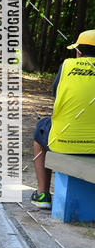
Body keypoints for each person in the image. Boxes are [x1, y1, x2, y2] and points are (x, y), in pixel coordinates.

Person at [31, 30, 95, 209]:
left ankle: (42, 193)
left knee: (40, 128)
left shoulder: (67, 66)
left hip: (65, 141)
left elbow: (57, 94)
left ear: (79, 52)